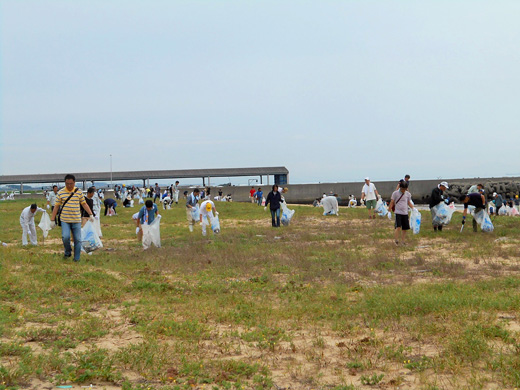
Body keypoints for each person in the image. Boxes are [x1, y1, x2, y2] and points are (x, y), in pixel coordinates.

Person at [50, 174, 94, 261]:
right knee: (65, 237)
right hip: (65, 220)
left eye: (71, 183)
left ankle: (76, 258)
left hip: (76, 220)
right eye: (67, 184)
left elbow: (84, 204)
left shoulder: (79, 192)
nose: (69, 185)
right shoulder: (61, 193)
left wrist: (91, 214)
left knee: (77, 239)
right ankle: (68, 251)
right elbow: (56, 206)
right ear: (65, 183)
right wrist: (52, 219)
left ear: (74, 183)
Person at [388, 181, 415, 246]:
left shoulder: (408, 194)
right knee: (398, 227)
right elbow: (392, 202)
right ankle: (396, 241)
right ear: (400, 187)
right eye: (402, 189)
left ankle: (403, 241)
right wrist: (389, 211)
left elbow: (408, 202)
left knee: (405, 228)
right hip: (398, 212)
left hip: (405, 213)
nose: (403, 190)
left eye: (405, 189)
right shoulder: (395, 193)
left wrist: (413, 208)